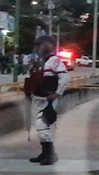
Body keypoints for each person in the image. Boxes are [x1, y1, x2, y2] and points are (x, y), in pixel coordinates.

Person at [24, 36, 70, 165]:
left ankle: (50, 154)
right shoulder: (39, 62)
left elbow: (65, 77)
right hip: (38, 99)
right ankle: (46, 153)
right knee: (41, 127)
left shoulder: (54, 61)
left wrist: (57, 93)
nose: (37, 48)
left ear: (48, 46)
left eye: (40, 45)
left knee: (42, 125)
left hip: (48, 100)